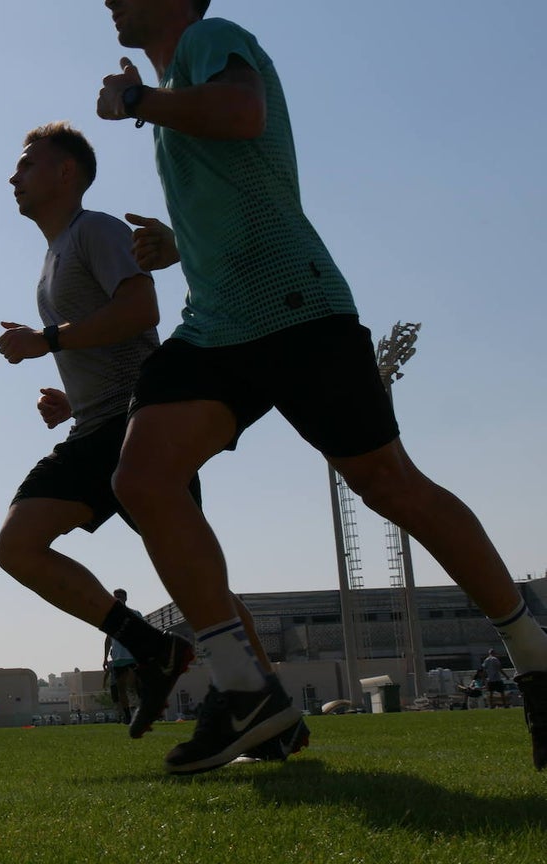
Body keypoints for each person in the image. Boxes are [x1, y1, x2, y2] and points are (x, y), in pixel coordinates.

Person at [94, 0, 547, 773]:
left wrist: (139, 101)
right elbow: (238, 177)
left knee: (388, 484)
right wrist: (180, 246)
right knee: (142, 477)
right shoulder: (179, 86)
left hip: (294, 305)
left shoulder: (210, 41)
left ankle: (533, 650)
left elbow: (242, 112)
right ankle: (248, 693)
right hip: (219, 324)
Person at [0, 121, 303, 758]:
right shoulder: (50, 260)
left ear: (65, 174)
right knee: (29, 547)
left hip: (138, 424)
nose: (12, 177)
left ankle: (239, 693)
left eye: (26, 164)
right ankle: (200, 671)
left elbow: (142, 312)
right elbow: (104, 336)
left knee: (189, 580)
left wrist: (46, 341)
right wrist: (68, 398)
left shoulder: (95, 231)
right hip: (95, 424)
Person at [104, 589, 141, 724]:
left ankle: (142, 713)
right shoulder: (110, 616)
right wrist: (104, 658)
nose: (118, 598)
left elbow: (143, 633)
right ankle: (127, 716)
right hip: (118, 659)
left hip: (133, 655)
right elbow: (108, 638)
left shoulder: (135, 614)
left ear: (126, 598)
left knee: (138, 686)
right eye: (116, 596)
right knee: (121, 689)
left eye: (120, 596)